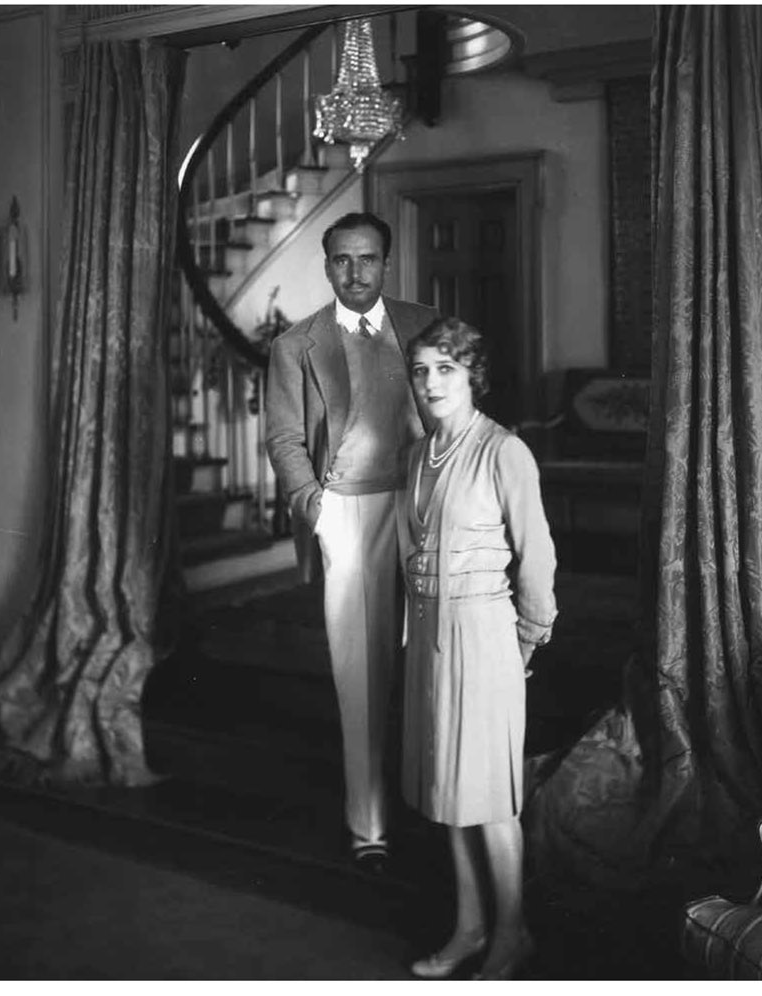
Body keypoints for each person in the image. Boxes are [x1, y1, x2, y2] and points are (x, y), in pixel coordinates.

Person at [264, 211, 439, 875]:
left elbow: (459, 412)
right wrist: (317, 509)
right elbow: (284, 439)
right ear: (327, 262)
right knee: (359, 674)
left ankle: (435, 803)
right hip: (350, 513)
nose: (355, 273)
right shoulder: (296, 345)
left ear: (386, 262)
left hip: (426, 510)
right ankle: (368, 824)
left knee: (434, 664)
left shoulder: (425, 325)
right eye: (342, 260)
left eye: (367, 259)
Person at [398, 318, 557, 981]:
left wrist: (519, 642)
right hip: (430, 638)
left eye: (446, 369)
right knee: (447, 793)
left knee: (489, 798)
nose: (432, 383)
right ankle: (468, 929)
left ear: (471, 376)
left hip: (486, 636)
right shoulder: (416, 455)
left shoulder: (503, 451)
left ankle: (513, 933)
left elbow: (538, 561)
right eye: (422, 371)